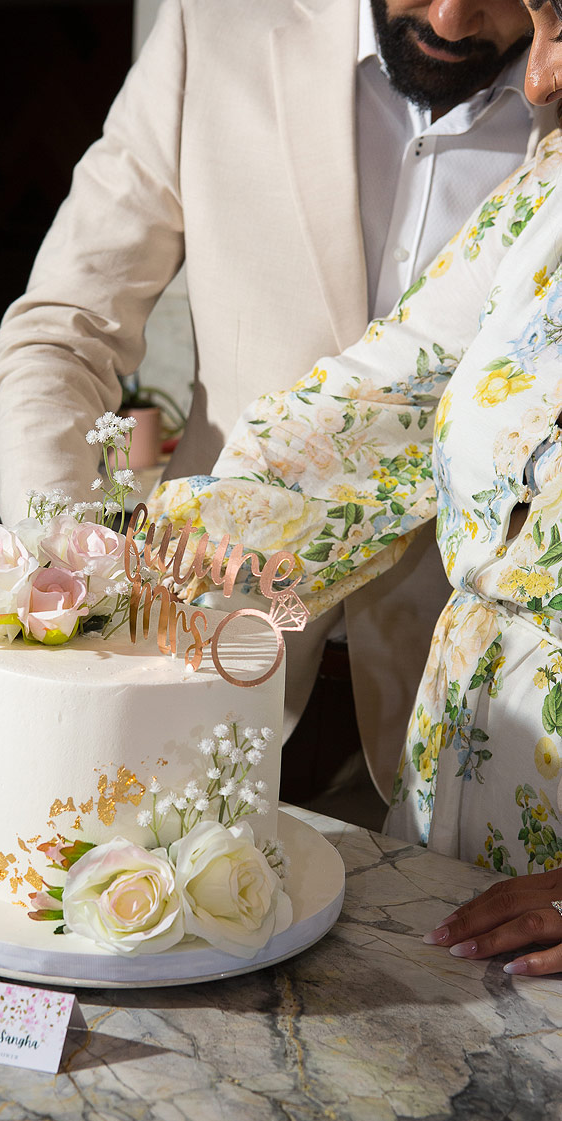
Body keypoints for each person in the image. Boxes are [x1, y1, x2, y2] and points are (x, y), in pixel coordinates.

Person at [0, 0, 554, 809]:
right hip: (190, 650)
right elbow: (63, 329)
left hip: (471, 725)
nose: (451, 18)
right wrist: (67, 557)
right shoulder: (214, 29)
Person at [148, 0, 562, 975]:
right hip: (455, 814)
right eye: (542, 27)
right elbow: (386, 398)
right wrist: (173, 541)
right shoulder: (543, 194)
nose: (538, 82)